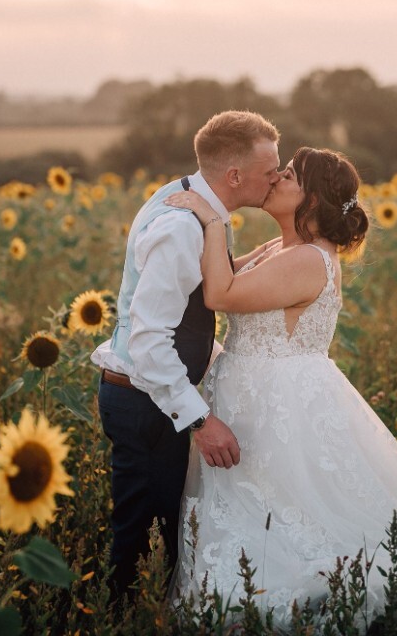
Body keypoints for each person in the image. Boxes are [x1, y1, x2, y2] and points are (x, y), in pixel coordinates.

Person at [164, 146, 397, 627]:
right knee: (253, 506)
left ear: (314, 200)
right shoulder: (285, 249)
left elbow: (221, 294)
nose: (276, 178)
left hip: (280, 405)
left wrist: (211, 220)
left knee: (285, 514)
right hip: (253, 392)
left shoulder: (307, 260)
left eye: (290, 176)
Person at [91, 110, 281, 602]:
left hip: (151, 398)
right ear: (234, 175)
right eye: (270, 169)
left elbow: (195, 288)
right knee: (142, 542)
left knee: (166, 532)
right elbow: (149, 343)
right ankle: (125, 619)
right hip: (144, 403)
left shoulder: (198, 210)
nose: (277, 177)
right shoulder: (181, 227)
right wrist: (200, 420)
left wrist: (258, 259)